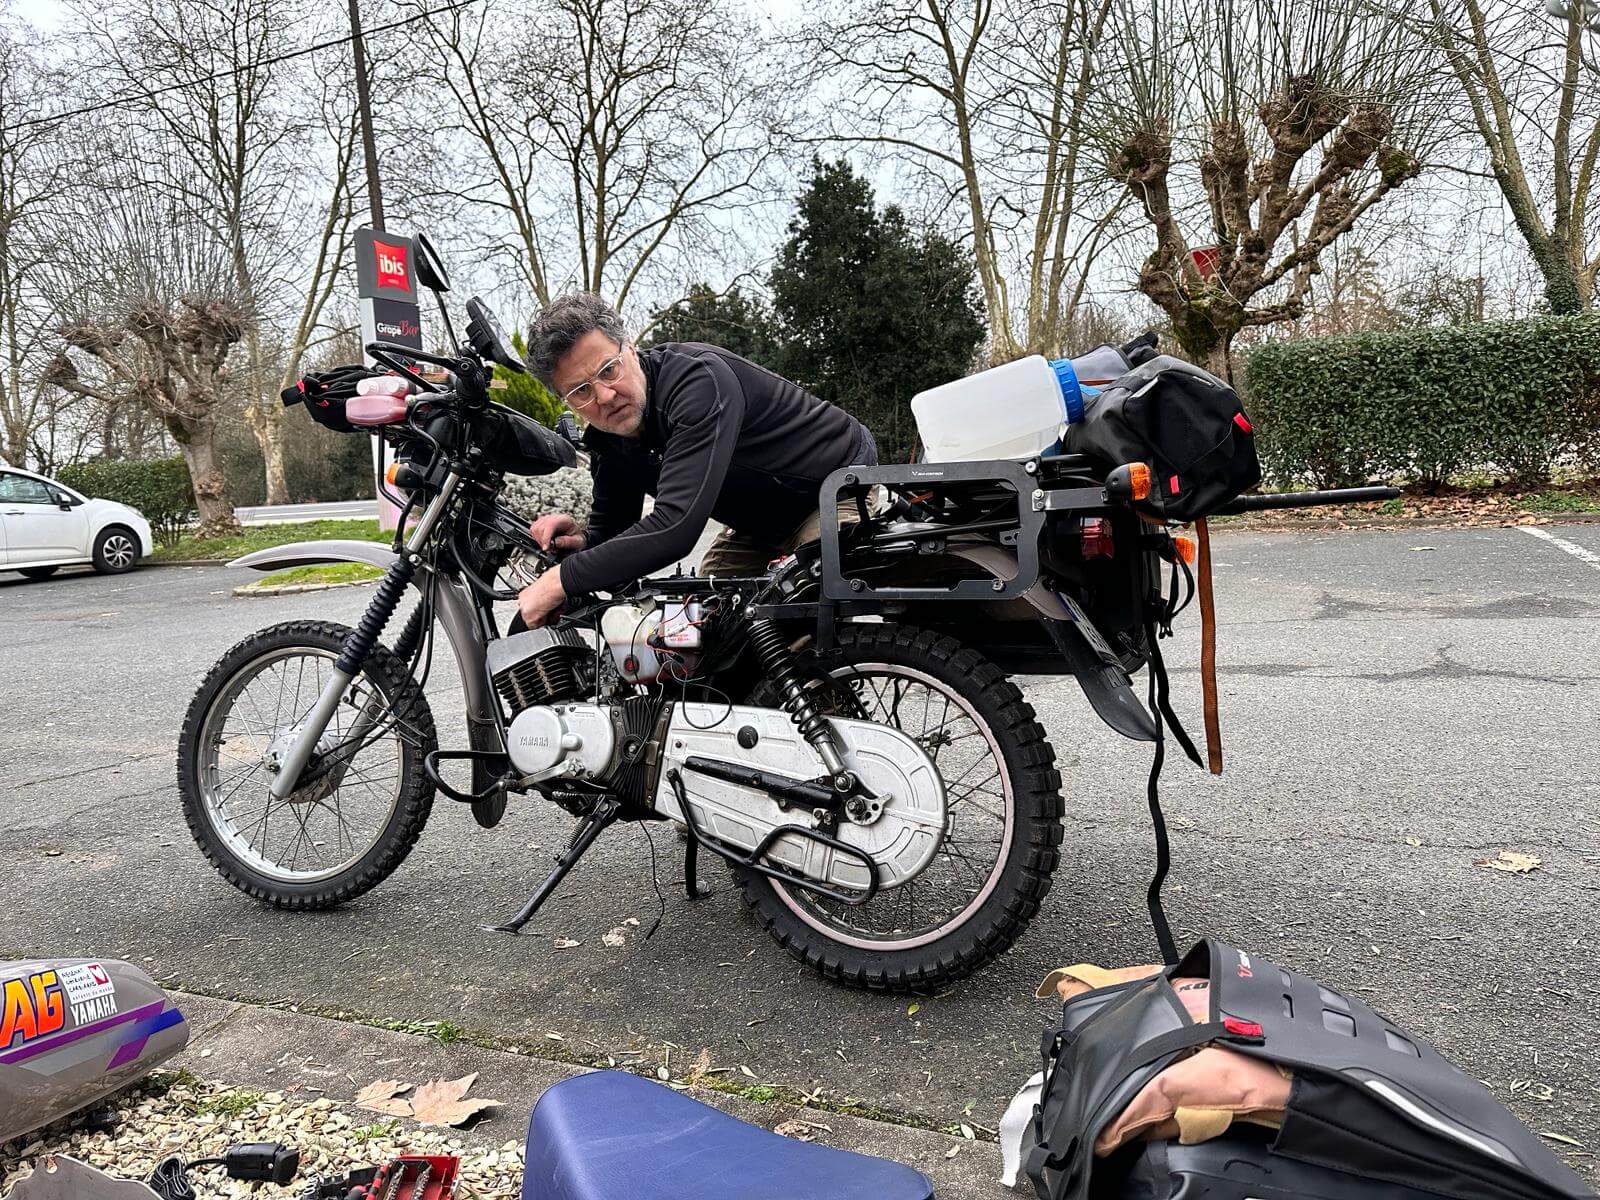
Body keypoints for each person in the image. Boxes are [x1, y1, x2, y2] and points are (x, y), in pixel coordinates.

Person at [514, 293, 876, 630]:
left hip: (832, 487)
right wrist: (582, 541)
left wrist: (559, 581)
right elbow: (614, 530)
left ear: (631, 350)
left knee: (804, 617)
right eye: (581, 391)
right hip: (759, 522)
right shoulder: (608, 439)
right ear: (567, 401)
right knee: (702, 628)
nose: (605, 396)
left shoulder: (698, 382)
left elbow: (675, 528)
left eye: (609, 369)